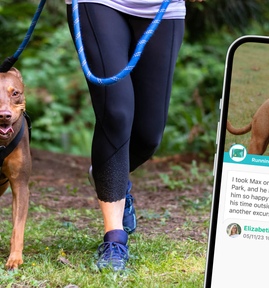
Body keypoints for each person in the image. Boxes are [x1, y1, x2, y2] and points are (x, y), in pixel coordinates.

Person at [66, 0, 205, 271]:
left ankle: (112, 177)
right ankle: (114, 239)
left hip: (161, 7)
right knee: (115, 113)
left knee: (148, 135)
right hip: (99, 4)